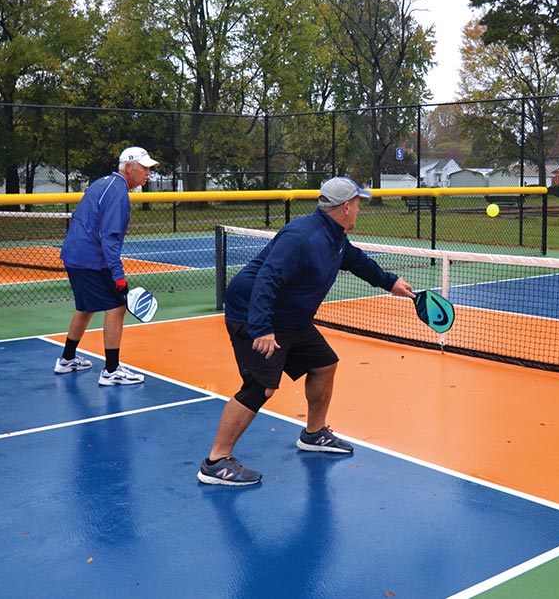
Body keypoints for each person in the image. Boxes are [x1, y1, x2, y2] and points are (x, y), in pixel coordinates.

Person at [197, 176, 415, 487]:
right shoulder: (302, 238)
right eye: (357, 204)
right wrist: (262, 328)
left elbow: (358, 262)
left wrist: (390, 282)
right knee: (260, 387)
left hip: (291, 318)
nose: (358, 210)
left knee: (324, 364)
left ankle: (314, 433)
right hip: (255, 315)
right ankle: (215, 461)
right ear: (344, 208)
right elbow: (266, 279)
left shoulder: (335, 237)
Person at [54, 146, 158, 385]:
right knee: (117, 306)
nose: (148, 173)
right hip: (90, 259)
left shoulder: (104, 183)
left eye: (149, 169)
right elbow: (109, 236)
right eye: (144, 168)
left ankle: (67, 359)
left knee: (86, 307)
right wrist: (118, 275)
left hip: (77, 256)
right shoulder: (118, 192)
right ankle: (111, 371)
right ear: (128, 167)